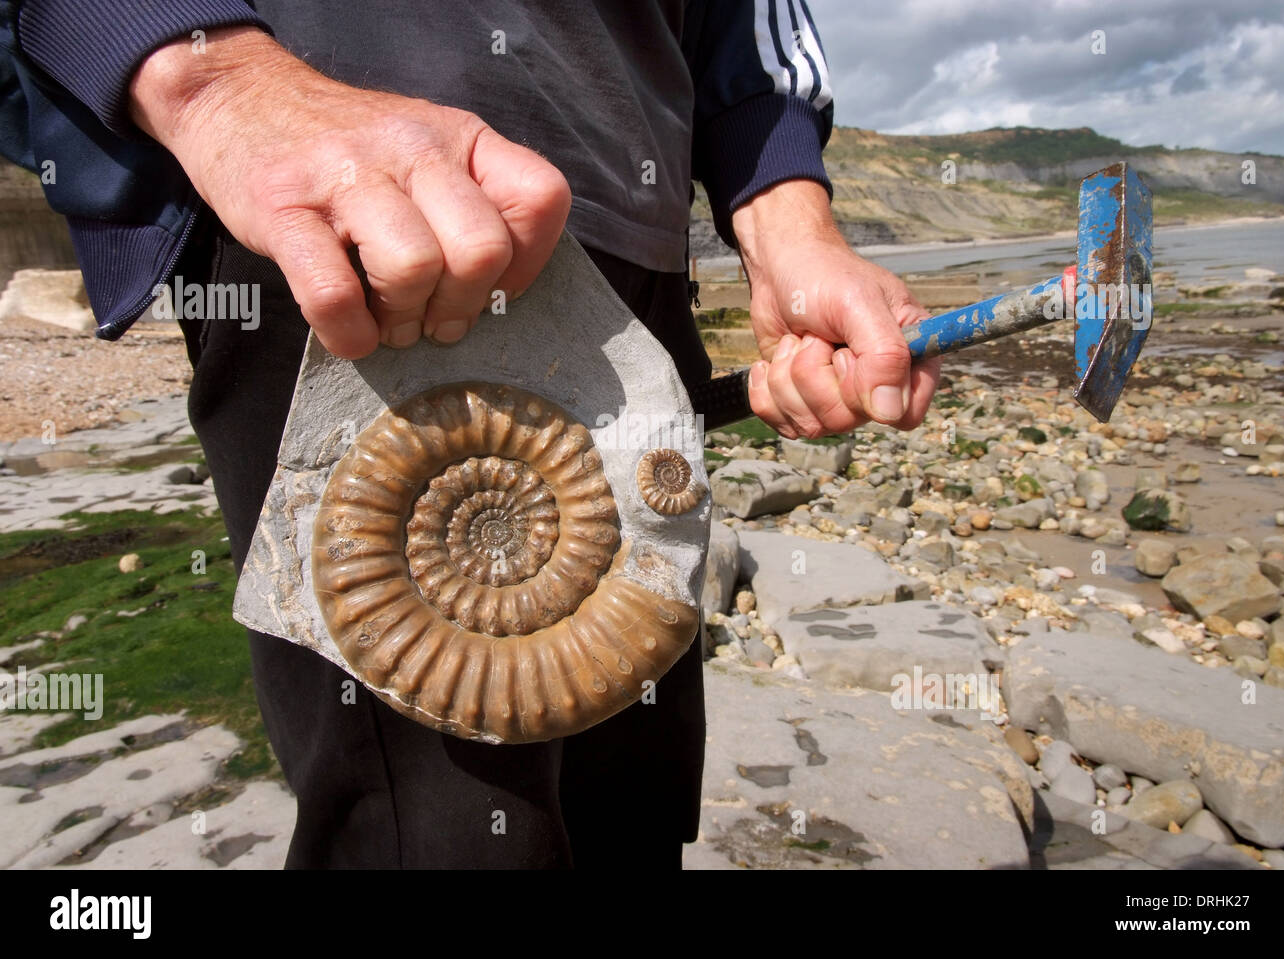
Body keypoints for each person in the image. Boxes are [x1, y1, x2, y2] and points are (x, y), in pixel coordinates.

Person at [0, 1, 940, 868]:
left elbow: (744, 23)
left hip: (630, 260)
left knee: (635, 803)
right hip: (348, 230)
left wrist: (788, 225)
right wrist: (211, 84)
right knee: (443, 839)